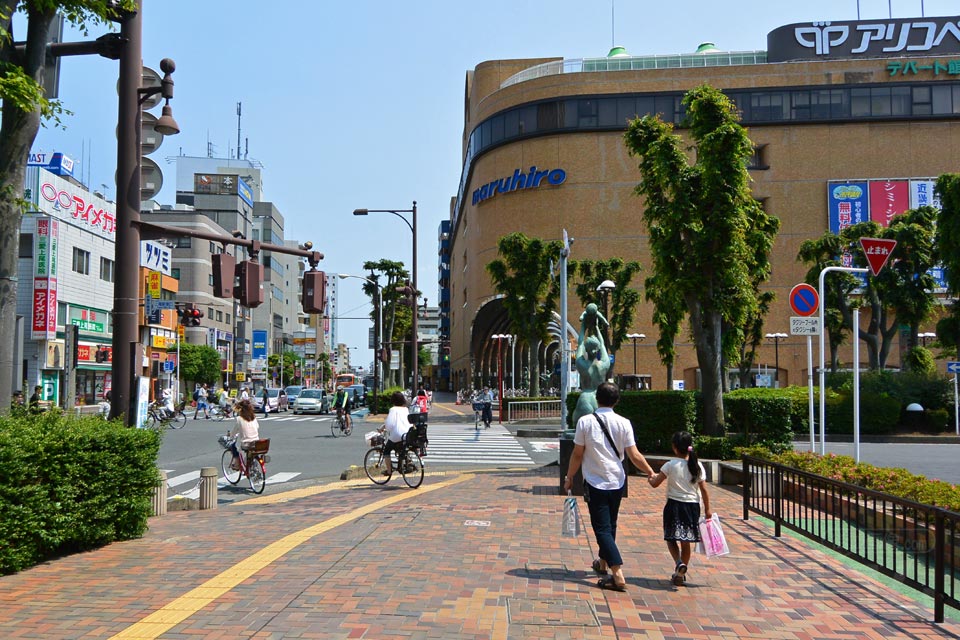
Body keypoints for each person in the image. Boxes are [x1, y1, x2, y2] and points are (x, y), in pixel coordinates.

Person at [563, 381, 655, 592]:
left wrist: (569, 477)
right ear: (617, 401)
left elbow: (577, 454)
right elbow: (634, 455)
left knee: (601, 528)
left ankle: (617, 572)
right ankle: (603, 563)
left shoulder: (585, 422)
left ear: (597, 398)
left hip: (595, 482)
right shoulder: (624, 423)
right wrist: (650, 472)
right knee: (610, 524)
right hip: (617, 481)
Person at [648, 431, 712, 587]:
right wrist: (708, 510)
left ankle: (678, 563)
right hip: (693, 507)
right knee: (686, 541)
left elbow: (656, 483)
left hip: (674, 505)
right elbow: (704, 489)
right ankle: (680, 572)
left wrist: (650, 477)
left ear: (674, 447)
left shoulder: (670, 465)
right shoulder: (697, 466)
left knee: (671, 537)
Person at [571, 304, 612, 427]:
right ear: (598, 350)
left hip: (586, 396)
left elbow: (580, 344)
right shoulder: (604, 365)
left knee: (580, 427)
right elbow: (603, 345)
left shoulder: (582, 364)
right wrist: (597, 328)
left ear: (587, 351)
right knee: (601, 429)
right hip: (600, 398)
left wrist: (583, 325)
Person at [379, 391, 410, 475]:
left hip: (397, 435)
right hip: (407, 434)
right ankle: (406, 462)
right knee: (402, 448)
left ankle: (389, 471)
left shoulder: (393, 409)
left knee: (386, 451)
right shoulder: (406, 409)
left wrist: (385, 429)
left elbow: (389, 424)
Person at [228, 399, 261, 470]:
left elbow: (234, 432)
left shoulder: (239, 419)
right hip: (256, 442)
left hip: (246, 443)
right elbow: (257, 427)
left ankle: (237, 464)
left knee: (233, 446)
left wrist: (231, 436)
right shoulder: (253, 417)